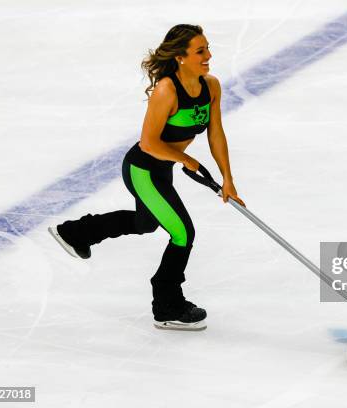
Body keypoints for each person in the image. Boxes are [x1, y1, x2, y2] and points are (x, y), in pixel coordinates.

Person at [48, 24, 245, 331]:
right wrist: (186, 159)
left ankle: (77, 233)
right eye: (200, 51)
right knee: (183, 233)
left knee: (146, 222)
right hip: (143, 169)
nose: (209, 55)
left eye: (208, 48)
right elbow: (149, 143)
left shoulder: (211, 86)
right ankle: (167, 306)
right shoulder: (167, 90)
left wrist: (227, 179)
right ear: (180, 57)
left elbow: (216, 132)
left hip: (162, 169)